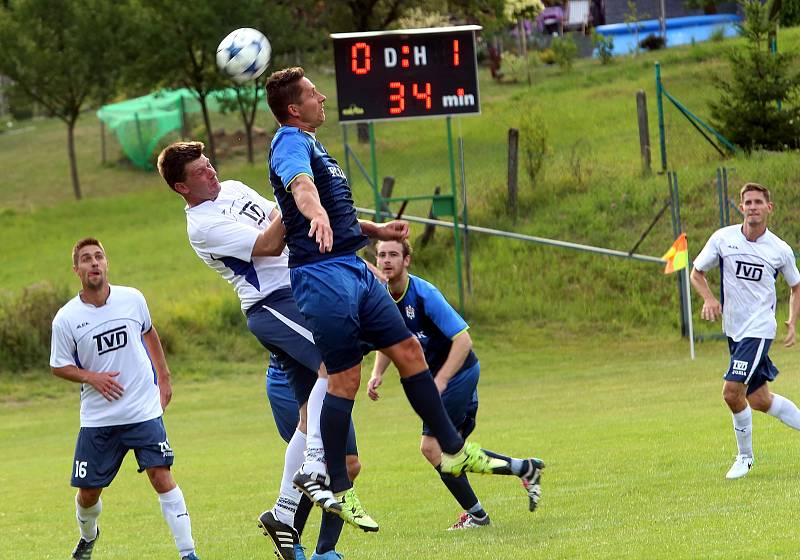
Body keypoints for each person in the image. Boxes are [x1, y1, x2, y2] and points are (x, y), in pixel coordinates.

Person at [265, 66, 544, 548]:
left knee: (409, 353)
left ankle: (453, 450)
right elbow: (304, 191)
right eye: (313, 94)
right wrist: (315, 217)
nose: (322, 97)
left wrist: (378, 233)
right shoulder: (289, 142)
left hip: (353, 269)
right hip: (322, 275)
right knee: (344, 378)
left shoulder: (314, 142)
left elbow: (339, 207)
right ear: (294, 108)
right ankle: (336, 486)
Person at [157, 141, 366, 560]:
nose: (211, 173)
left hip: (296, 290)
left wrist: (296, 203)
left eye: (210, 164)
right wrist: (298, 196)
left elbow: (277, 218)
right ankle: (311, 472)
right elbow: (270, 244)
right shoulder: (201, 224)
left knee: (313, 414)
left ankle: (284, 514)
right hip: (272, 303)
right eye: (200, 172)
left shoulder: (232, 188)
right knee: (338, 363)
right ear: (182, 187)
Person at [369, 240, 544, 529]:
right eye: (382, 255)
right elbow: (391, 340)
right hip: (437, 381)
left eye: (394, 255)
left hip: (458, 374)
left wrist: (441, 380)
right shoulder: (384, 299)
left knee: (432, 448)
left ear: (407, 260)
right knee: (451, 452)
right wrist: (378, 372)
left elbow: (464, 340)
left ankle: (479, 514)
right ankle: (523, 469)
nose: (387, 261)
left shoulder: (424, 295)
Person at [49, 238, 200, 560]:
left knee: (161, 476)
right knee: (88, 494)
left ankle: (188, 553)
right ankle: (88, 537)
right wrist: (91, 376)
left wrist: (165, 378)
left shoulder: (132, 299)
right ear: (76, 270)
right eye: (86, 259)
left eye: (99, 257)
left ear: (106, 264)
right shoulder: (66, 318)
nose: (94, 263)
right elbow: (58, 365)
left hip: (142, 410)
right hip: (99, 419)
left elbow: (149, 332)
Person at [690, 182, 800, 479]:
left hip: (759, 329)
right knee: (760, 400)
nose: (753, 207)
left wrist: (792, 320)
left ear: (769, 208)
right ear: (741, 208)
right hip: (734, 331)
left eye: (758, 202)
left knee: (731, 393)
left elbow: (796, 286)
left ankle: (745, 457)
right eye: (747, 202)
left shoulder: (780, 250)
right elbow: (696, 272)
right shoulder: (723, 239)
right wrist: (710, 299)